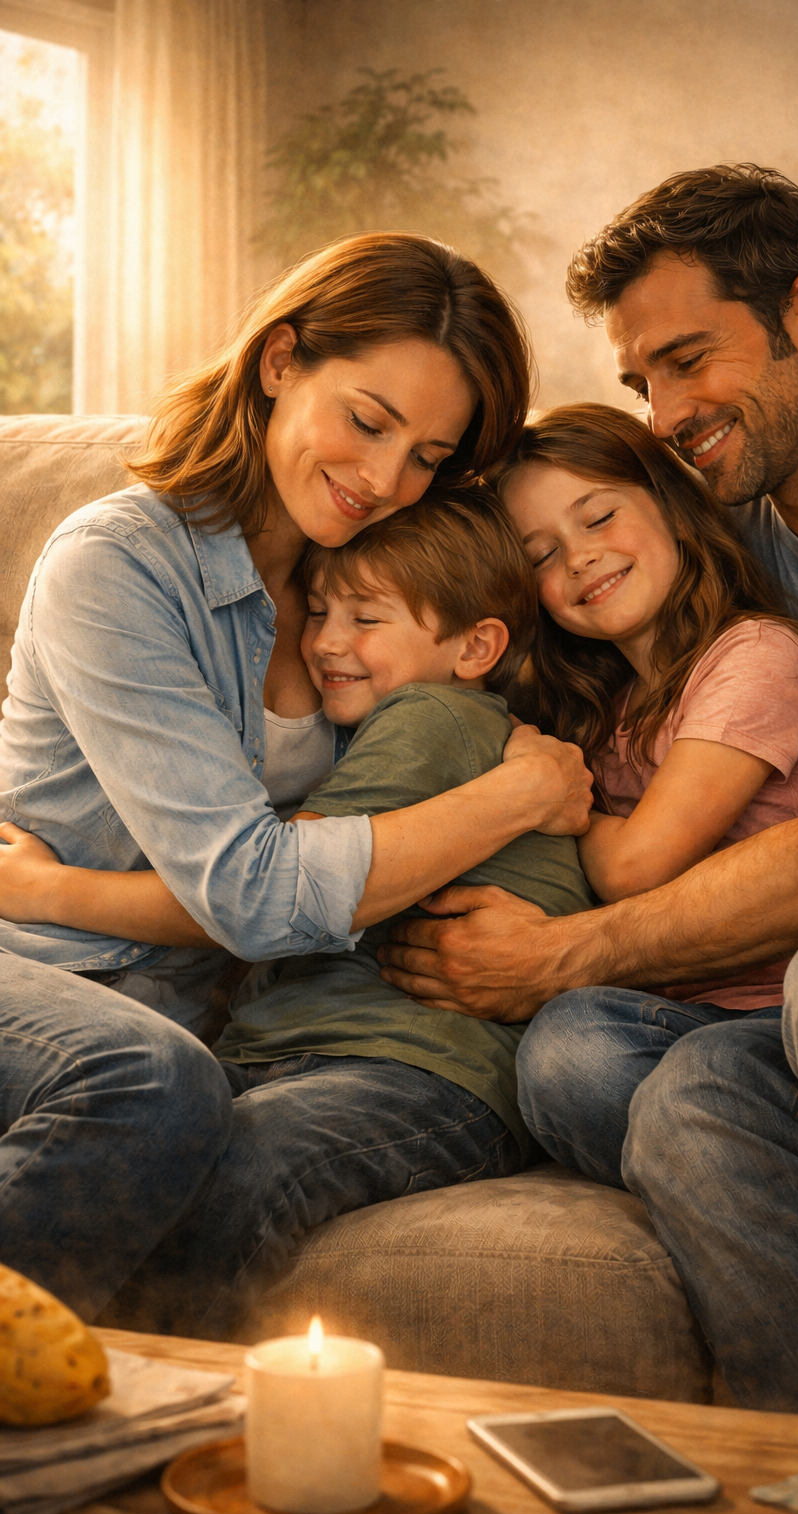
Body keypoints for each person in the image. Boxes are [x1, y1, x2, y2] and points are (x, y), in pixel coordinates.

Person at [376, 168, 798, 1434]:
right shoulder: (727, 546)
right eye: (643, 386)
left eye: (687, 361)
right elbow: (516, 569)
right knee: (644, 1083)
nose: (668, 414)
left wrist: (556, 954)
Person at [0, 233, 591, 1320]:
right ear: (280, 363)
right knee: (150, 1082)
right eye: (367, 421)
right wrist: (515, 792)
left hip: (199, 1005)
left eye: (426, 456)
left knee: (185, 1094)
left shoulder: (348, 586)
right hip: (48, 974)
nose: (382, 479)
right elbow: (259, 892)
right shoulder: (118, 563)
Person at [101, 487, 593, 1338]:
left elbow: (266, 888)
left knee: (239, 1167)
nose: (326, 641)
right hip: (295, 1056)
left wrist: (40, 889)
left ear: (476, 646)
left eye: (367, 620)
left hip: (419, 1073)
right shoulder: (380, 730)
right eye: (319, 610)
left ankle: (160, 1390)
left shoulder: (433, 716)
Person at [490, 401, 798, 1174]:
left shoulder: (756, 656)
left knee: (574, 1051)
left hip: (784, 1019)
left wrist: (546, 791)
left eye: (598, 518)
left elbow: (634, 868)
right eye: (541, 555)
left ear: (675, 507)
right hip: (669, 1011)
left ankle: (765, 1156)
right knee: (561, 1045)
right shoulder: (603, 707)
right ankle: (712, 1162)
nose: (578, 559)